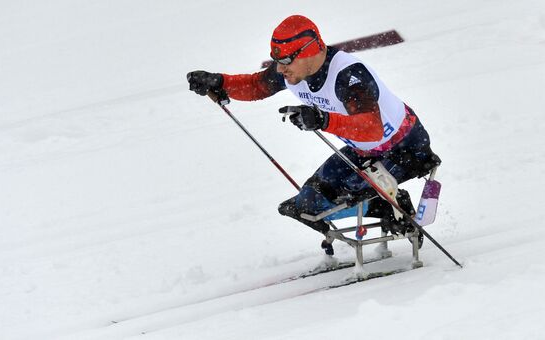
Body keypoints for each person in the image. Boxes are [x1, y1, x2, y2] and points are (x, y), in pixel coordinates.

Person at [187, 15, 440, 246]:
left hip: (404, 149)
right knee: (305, 206)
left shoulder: (349, 76)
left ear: (309, 51)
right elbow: (256, 86)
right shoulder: (289, 72)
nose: (279, 68)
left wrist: (321, 119)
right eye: (276, 61)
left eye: (285, 61)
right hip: (363, 151)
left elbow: (371, 128)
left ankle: (393, 206)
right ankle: (389, 207)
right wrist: (220, 82)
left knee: (328, 202)